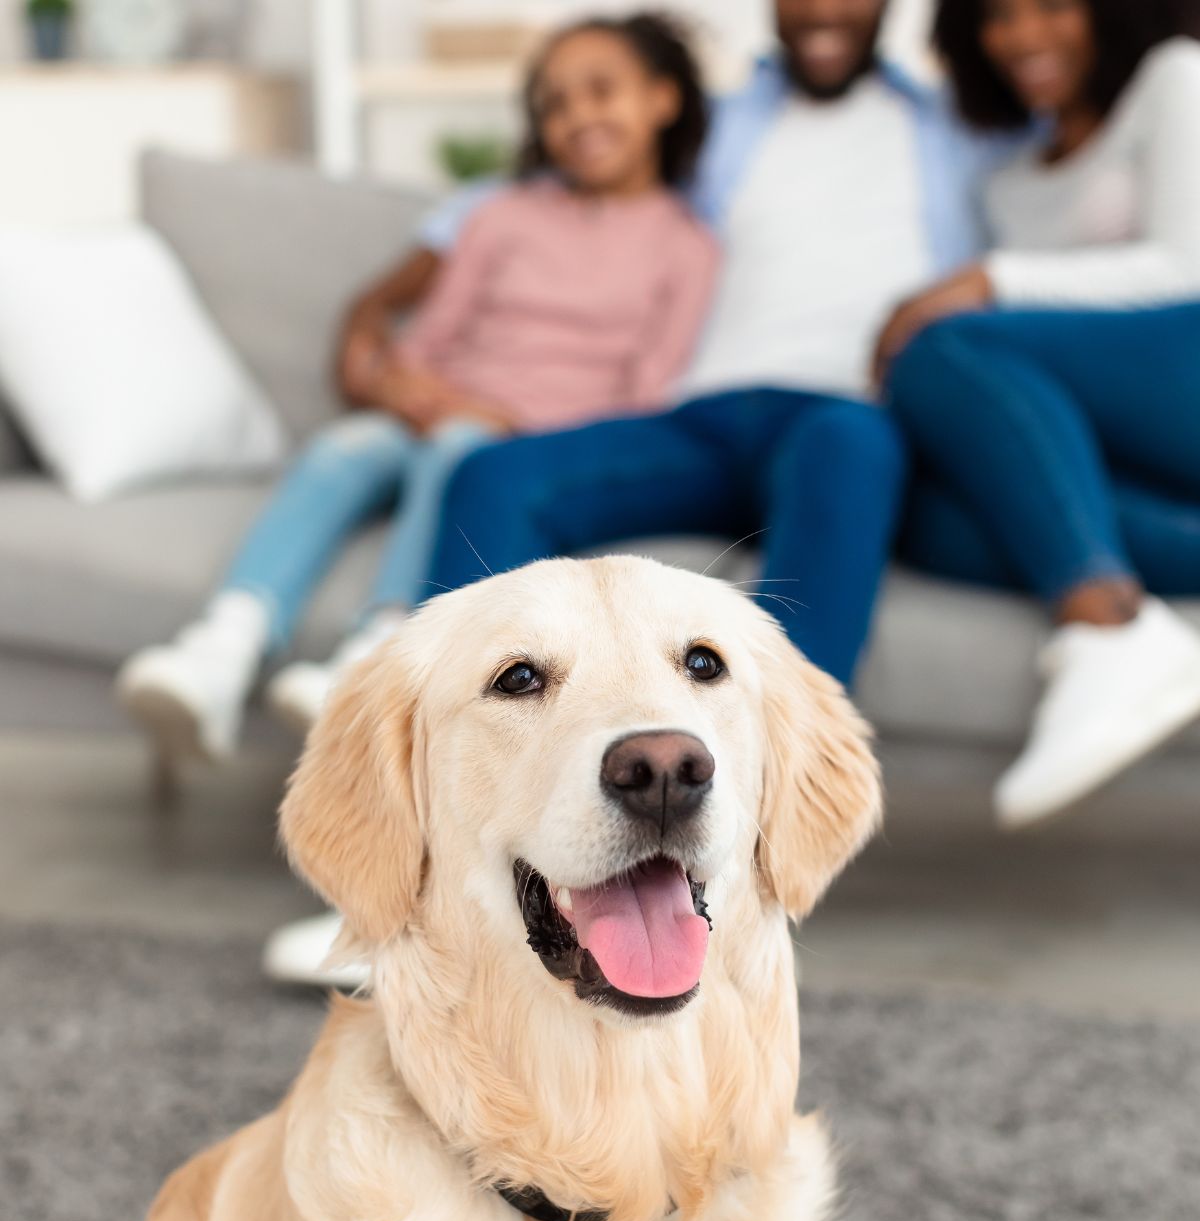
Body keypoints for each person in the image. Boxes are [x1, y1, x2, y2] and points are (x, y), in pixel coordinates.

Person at [117, 12, 718, 763]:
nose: (577, 117)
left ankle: (372, 656)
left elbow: (644, 401)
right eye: (555, 104)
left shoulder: (688, 247)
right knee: (342, 449)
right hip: (436, 408)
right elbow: (430, 335)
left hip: (523, 438)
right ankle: (221, 648)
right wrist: (405, 385)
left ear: (663, 100)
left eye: (601, 91)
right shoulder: (502, 216)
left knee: (459, 453)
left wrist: (498, 418)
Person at [417, 0, 1002, 692]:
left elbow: (1074, 161)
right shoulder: (723, 121)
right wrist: (378, 310)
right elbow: (528, 193)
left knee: (848, 445)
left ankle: (782, 784)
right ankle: (436, 768)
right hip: (698, 419)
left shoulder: (960, 128)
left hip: (843, 415)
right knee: (493, 476)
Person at [874, 0, 1200, 829]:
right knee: (926, 505)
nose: (1023, 37)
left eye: (1050, 6)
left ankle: (1105, 622)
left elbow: (1184, 265)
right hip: (1137, 448)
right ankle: (1128, 605)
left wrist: (985, 282)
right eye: (997, 17)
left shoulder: (1174, 80)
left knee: (945, 351)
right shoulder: (1005, 183)